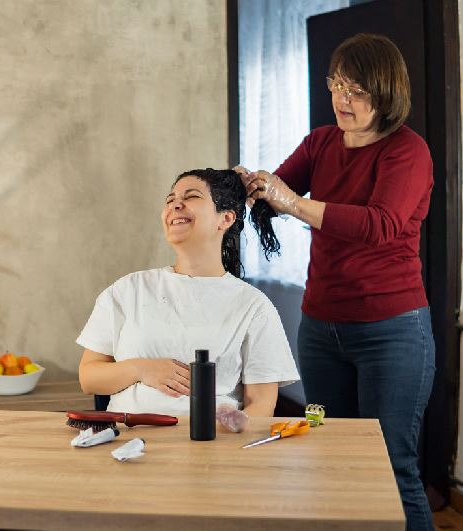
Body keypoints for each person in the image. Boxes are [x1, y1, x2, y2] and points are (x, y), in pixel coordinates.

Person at [237, 33, 435, 530]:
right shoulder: (321, 142)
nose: (343, 100)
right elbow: (277, 187)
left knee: (392, 468)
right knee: (333, 458)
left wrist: (293, 203)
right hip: (321, 330)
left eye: (357, 91)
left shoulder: (407, 152)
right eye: (337, 86)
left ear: (387, 92)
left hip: (392, 332)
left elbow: (379, 224)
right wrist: (252, 184)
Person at [76, 168, 300, 418]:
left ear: (225, 219)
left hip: (211, 443)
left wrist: (227, 442)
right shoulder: (128, 289)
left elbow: (261, 404)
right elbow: (89, 377)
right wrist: (141, 369)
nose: (176, 205)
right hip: (128, 440)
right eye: (170, 200)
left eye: (191, 197)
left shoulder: (253, 306)